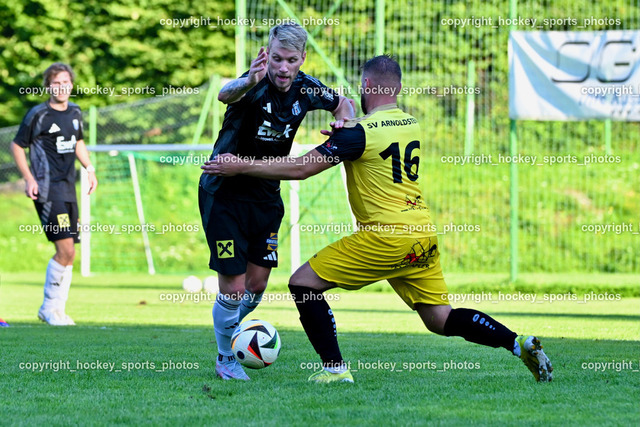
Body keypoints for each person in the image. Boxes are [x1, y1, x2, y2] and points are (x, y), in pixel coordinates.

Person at [202, 55, 553, 383]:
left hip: (384, 237)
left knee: (303, 284)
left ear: (367, 85)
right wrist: (345, 132)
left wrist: (240, 165)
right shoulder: (409, 123)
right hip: (422, 236)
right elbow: (363, 140)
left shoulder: (358, 133)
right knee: (440, 318)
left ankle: (335, 369)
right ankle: (516, 342)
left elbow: (300, 168)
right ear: (397, 88)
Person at [198, 23, 355, 380]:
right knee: (234, 288)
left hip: (266, 197)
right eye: (277, 59)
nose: (283, 68)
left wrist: (343, 124)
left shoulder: (307, 87)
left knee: (256, 286)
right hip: (224, 194)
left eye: (291, 60)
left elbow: (343, 104)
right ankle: (226, 357)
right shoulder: (251, 83)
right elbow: (225, 94)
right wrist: (248, 81)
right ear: (267, 56)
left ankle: (232, 334)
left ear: (302, 59)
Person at [10, 63, 98, 326]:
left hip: (69, 189)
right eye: (56, 82)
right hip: (48, 191)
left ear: (71, 84)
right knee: (65, 248)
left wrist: (89, 169)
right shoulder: (38, 114)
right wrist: (29, 179)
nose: (62, 87)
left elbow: (78, 141)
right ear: (48, 86)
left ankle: (58, 310)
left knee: (70, 253)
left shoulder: (75, 111)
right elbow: (17, 146)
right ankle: (48, 308)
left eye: (66, 82)